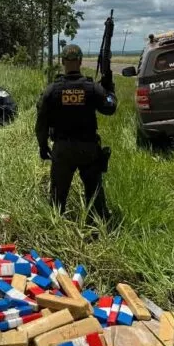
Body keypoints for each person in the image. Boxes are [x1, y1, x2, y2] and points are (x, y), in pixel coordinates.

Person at [35, 44, 117, 223]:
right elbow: (110, 108)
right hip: (88, 149)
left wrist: (43, 146)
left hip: (62, 149)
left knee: (57, 198)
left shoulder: (52, 90)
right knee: (94, 195)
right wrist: (110, 89)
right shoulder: (92, 88)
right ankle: (97, 227)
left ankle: (56, 228)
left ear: (63, 61)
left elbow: (41, 122)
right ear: (80, 61)